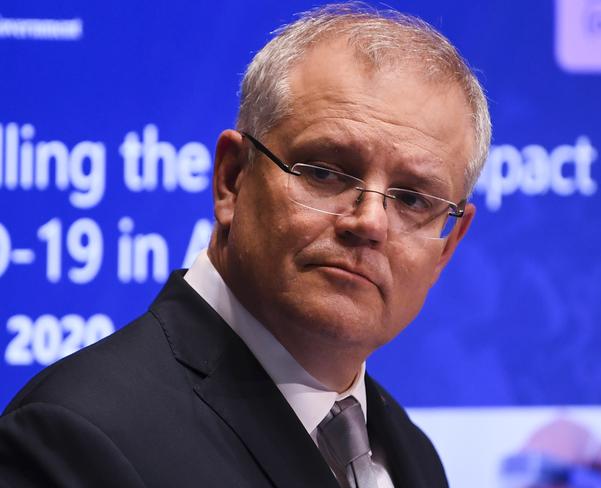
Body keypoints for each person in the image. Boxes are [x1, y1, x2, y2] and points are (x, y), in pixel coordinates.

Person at [0, 3, 490, 487]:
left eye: (411, 199)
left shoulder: (412, 456)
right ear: (232, 180)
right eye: (323, 171)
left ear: (446, 247)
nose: (369, 221)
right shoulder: (77, 436)